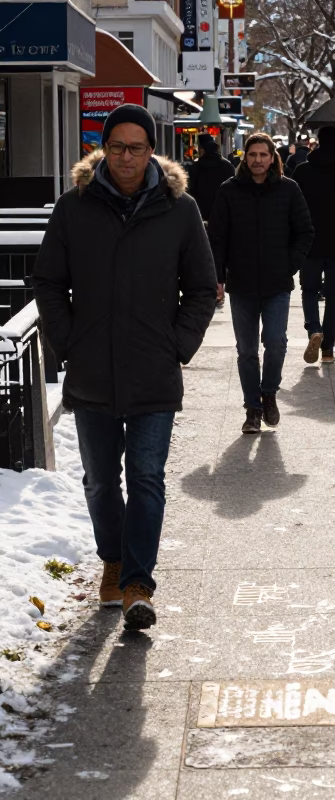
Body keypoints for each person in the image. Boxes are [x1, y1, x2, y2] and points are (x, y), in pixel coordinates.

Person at [32, 104, 217, 630]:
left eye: (137, 148)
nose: (127, 157)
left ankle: (138, 582)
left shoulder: (180, 210)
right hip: (92, 371)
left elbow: (202, 287)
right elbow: (47, 280)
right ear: (103, 149)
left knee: (147, 478)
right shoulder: (75, 206)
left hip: (154, 370)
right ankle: (112, 559)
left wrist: (177, 343)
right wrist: (68, 341)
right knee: (98, 481)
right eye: (117, 147)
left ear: (152, 151)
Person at [209, 132, 314, 433]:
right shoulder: (228, 191)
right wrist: (217, 276)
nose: (257, 160)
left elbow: (305, 232)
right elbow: (216, 239)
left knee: (276, 343)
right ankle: (252, 409)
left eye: (263, 155)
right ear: (245, 157)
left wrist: (289, 265)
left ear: (272, 158)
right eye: (252, 155)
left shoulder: (288, 190)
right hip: (240, 284)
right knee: (246, 350)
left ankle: (269, 393)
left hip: (277, 284)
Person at [293, 125, 335, 363]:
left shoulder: (302, 172)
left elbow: (293, 207)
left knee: (309, 290)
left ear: (318, 141)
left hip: (309, 241)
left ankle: (314, 330)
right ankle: (328, 348)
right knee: (334, 296)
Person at [187, 133, 235, 223]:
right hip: (223, 214)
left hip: (200, 215)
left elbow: (190, 191)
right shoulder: (227, 166)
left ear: (202, 150)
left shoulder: (195, 167)